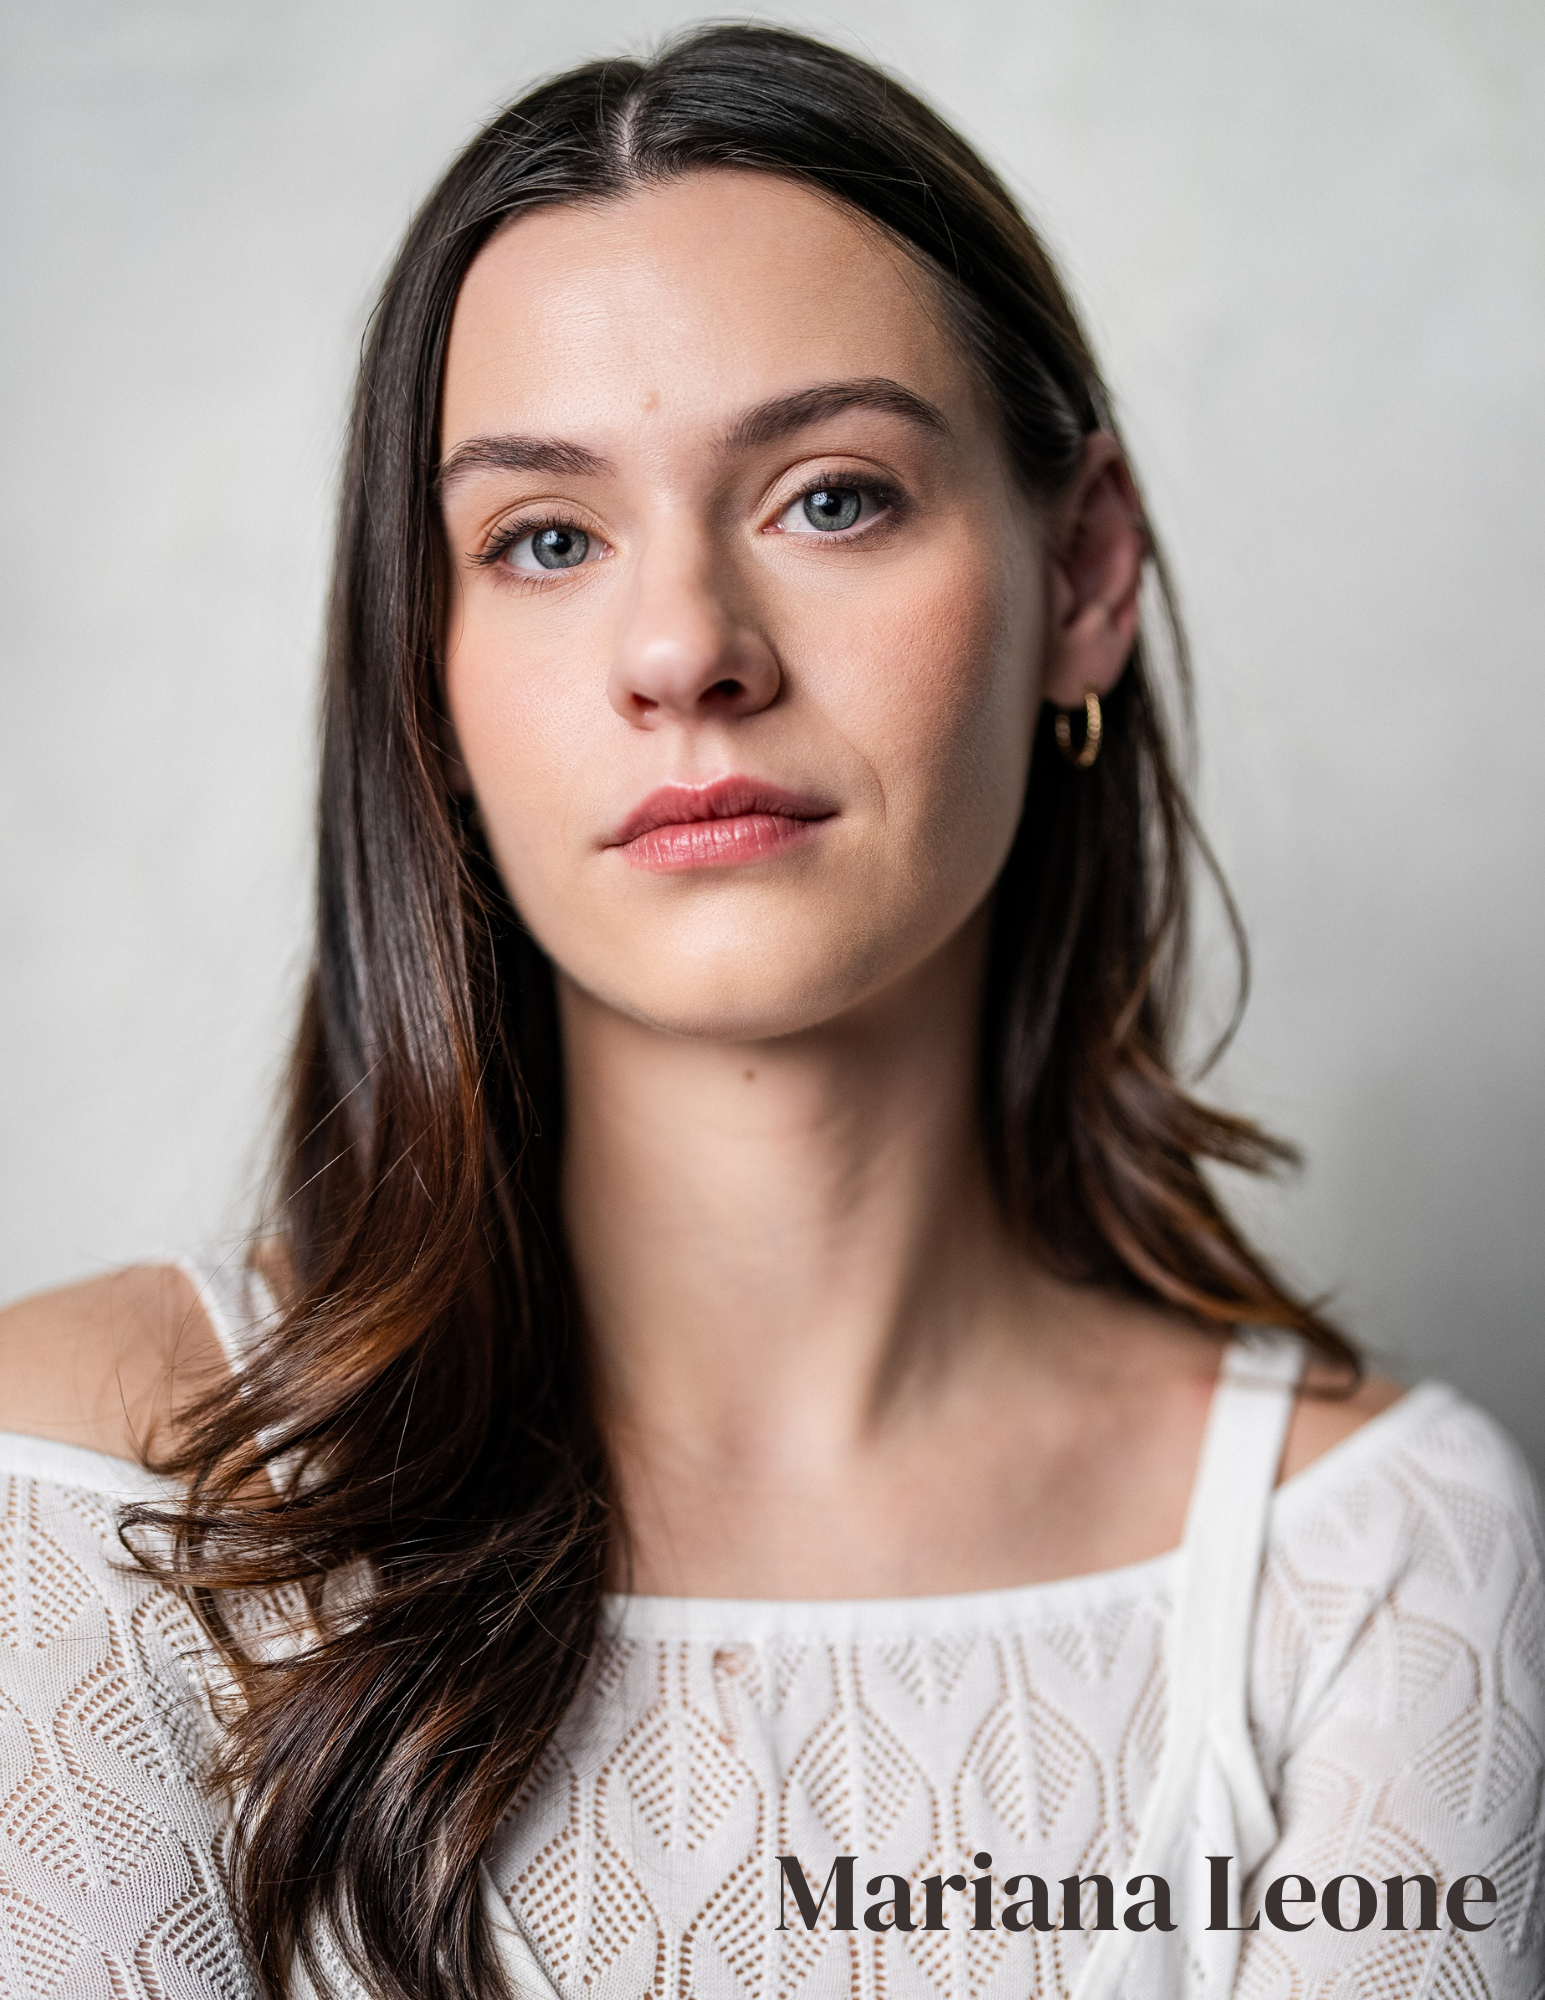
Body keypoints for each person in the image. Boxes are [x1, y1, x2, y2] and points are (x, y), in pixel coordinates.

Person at [0, 24, 1539, 2000]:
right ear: (430, 675)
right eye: (544, 539)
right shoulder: (93, 1496)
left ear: (1081, 570)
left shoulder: (1366, 1568)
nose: (684, 653)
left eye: (829, 497)